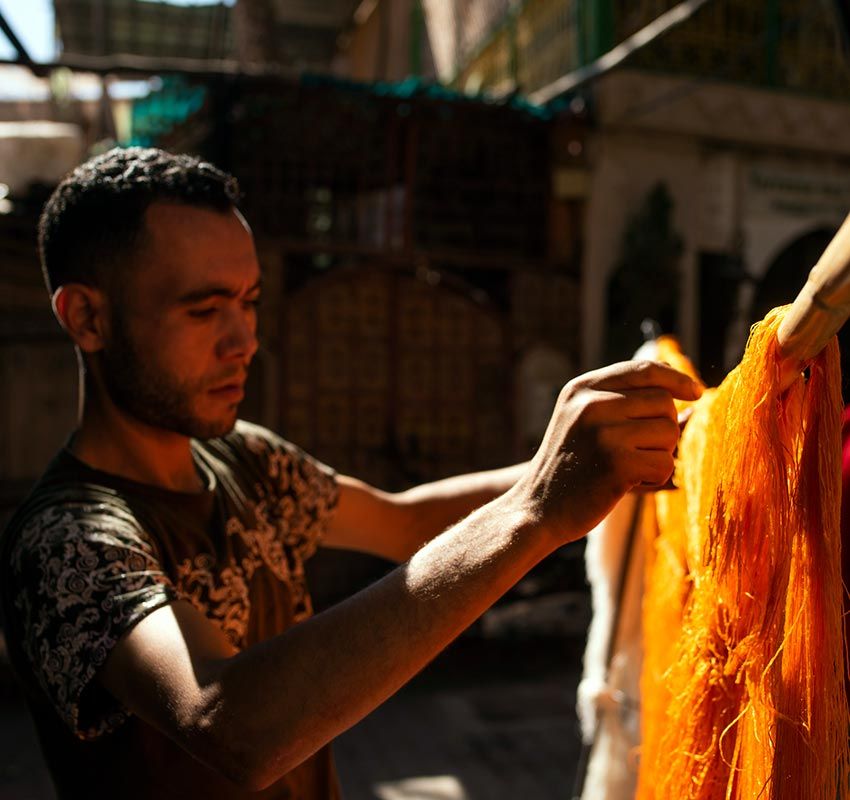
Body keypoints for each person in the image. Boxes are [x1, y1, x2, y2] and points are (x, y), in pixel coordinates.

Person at [0, 147, 701, 799]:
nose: (245, 342)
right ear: (87, 317)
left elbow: (408, 524)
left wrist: (605, 459)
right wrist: (535, 509)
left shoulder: (247, 460)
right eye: (205, 309)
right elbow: (226, 720)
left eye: (248, 303)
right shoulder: (67, 543)